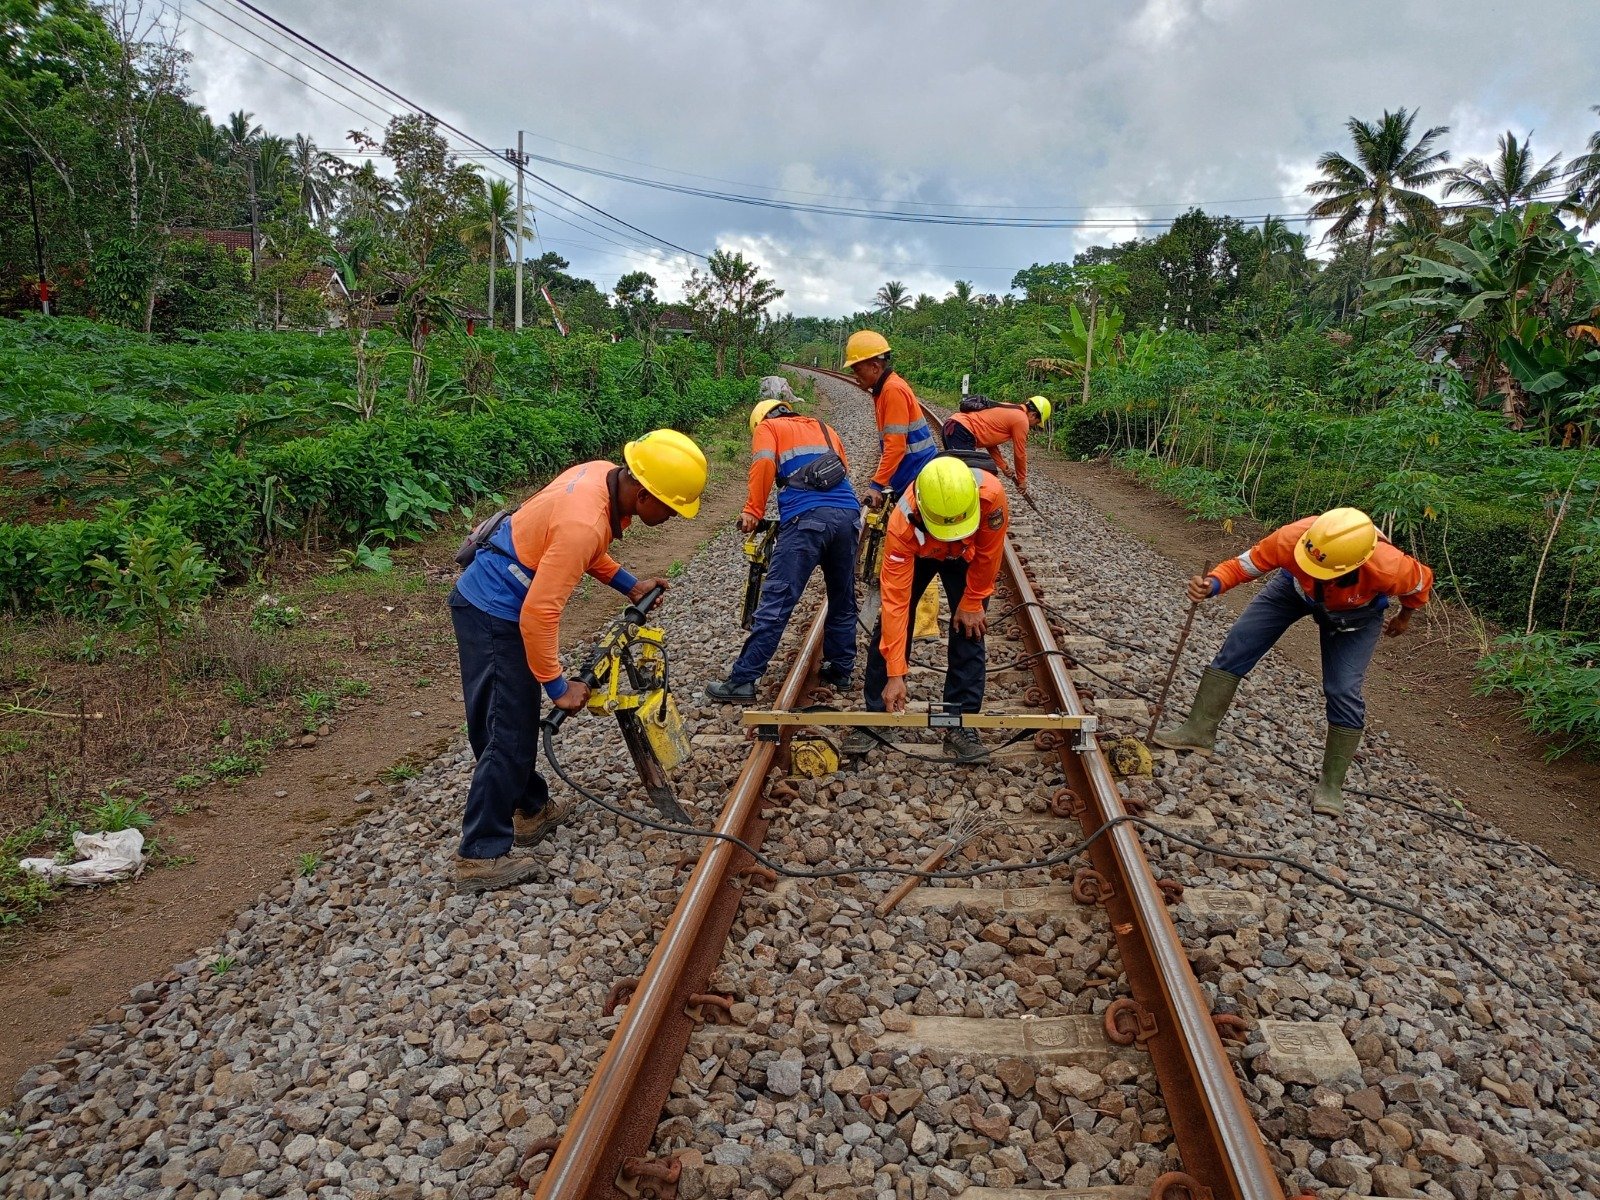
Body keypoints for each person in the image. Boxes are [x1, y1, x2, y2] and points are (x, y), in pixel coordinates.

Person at [448, 428, 708, 891]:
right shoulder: (583, 523)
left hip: (492, 597)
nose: (671, 518)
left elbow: (577, 550)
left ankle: (530, 810)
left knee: (511, 720)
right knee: (506, 729)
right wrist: (557, 685)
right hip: (494, 611)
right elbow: (539, 612)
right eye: (670, 507)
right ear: (643, 492)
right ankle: (479, 855)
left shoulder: (597, 475)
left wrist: (629, 584)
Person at [1152, 507, 1433, 816]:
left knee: (1342, 689)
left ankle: (1331, 784)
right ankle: (1197, 731)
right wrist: (1212, 584)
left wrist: (1404, 617)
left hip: (1357, 615)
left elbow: (1420, 585)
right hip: (1292, 591)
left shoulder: (1391, 566)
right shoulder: (1293, 537)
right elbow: (1244, 566)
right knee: (1238, 645)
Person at [846, 456, 1010, 763]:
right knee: (891, 624)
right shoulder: (902, 523)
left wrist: (973, 601)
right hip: (920, 550)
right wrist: (896, 673)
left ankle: (960, 725)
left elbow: (989, 554)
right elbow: (896, 604)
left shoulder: (991, 496)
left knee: (969, 629)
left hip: (967, 554)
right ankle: (880, 715)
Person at [706, 382, 861, 701]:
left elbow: (763, 465)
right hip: (848, 515)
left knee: (778, 598)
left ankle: (743, 680)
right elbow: (842, 470)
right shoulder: (825, 427)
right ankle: (841, 669)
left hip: (806, 521)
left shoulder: (768, 428)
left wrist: (753, 510)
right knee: (842, 596)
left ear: (760, 420)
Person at [841, 330, 939, 513]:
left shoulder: (892, 390)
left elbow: (896, 446)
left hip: (919, 476)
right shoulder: (883, 390)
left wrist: (876, 485)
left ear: (875, 367)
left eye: (858, 369)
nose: (855, 376)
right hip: (913, 475)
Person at [941, 394, 1051, 494]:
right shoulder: (1022, 420)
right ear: (1033, 415)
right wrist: (1022, 480)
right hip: (962, 431)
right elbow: (1020, 453)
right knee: (965, 477)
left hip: (954, 426)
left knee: (957, 472)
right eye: (1036, 423)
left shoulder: (1009, 408)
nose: (1032, 426)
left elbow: (989, 441)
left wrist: (1003, 466)